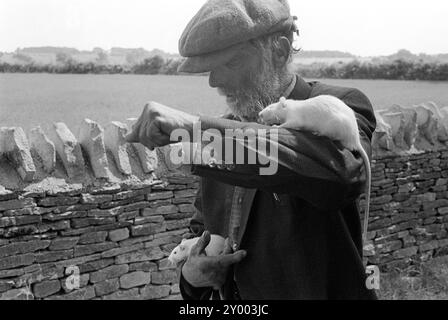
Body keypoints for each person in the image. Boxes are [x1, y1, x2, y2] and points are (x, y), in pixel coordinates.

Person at [126, 0, 377, 300]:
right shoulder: (221, 133)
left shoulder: (339, 104)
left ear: (280, 51)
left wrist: (195, 127)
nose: (214, 81)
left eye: (230, 63)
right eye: (210, 68)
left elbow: (341, 174)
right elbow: (200, 235)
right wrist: (193, 276)